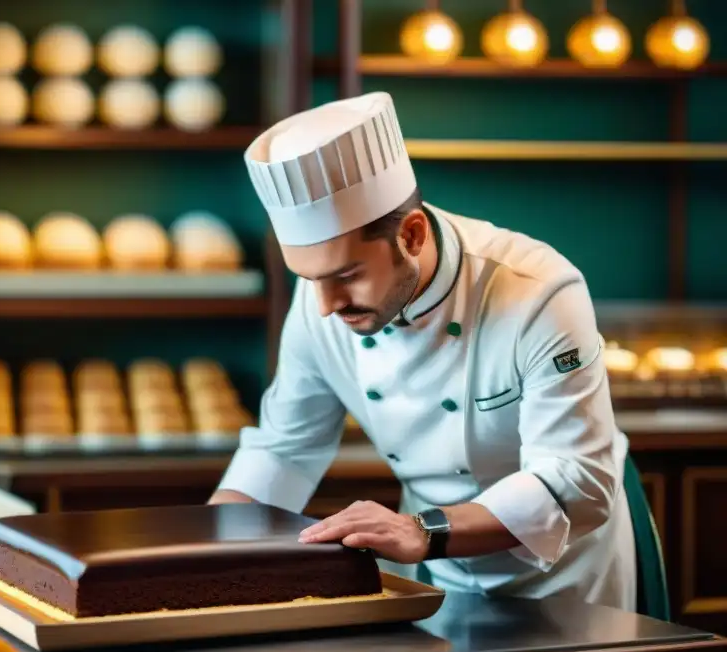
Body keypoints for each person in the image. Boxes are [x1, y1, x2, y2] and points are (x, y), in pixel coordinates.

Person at [208, 92, 637, 610]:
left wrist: (423, 530)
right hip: (430, 573)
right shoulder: (320, 295)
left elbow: (577, 481)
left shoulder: (539, 293)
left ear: (411, 235)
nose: (324, 306)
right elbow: (283, 448)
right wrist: (207, 548)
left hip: (565, 582)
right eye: (310, 279)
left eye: (347, 276)